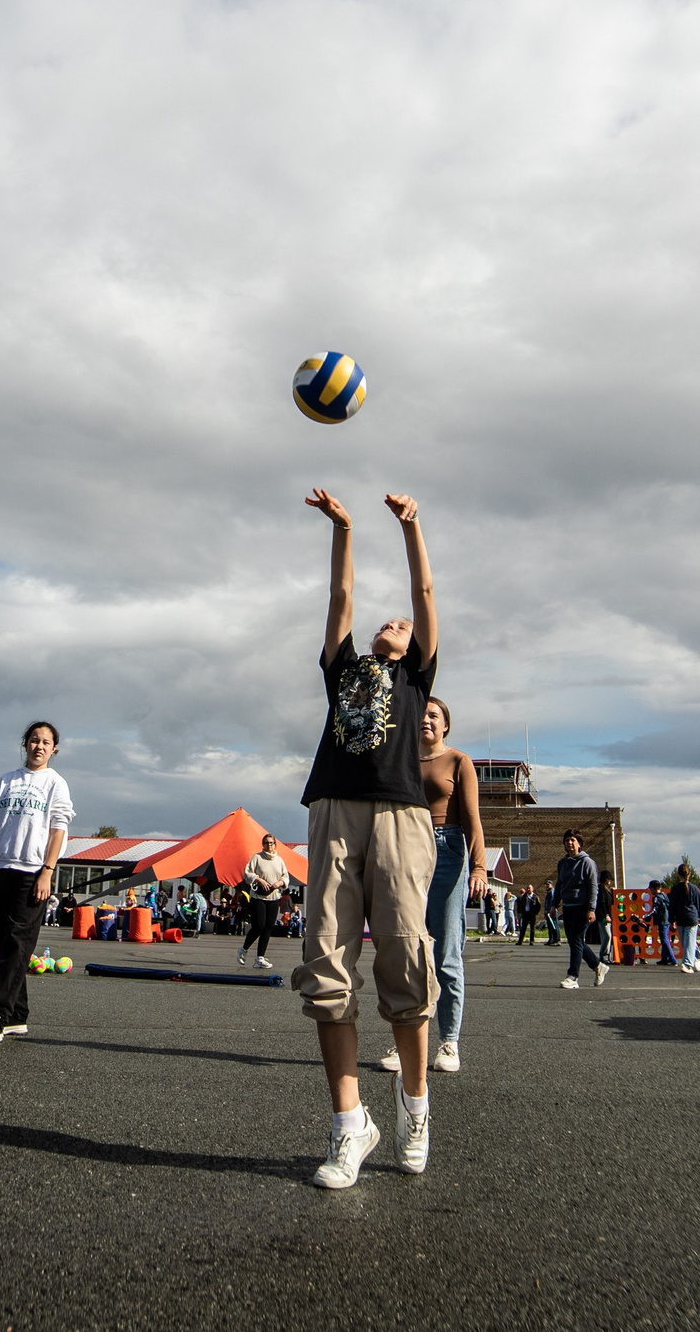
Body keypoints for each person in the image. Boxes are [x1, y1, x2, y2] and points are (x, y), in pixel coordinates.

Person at [295, 487, 442, 1191]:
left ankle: (414, 1108)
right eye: (390, 621)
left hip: (399, 818)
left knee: (406, 967)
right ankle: (350, 1125)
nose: (396, 622)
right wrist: (345, 528)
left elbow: (423, 586)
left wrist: (411, 527)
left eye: (405, 625)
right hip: (332, 810)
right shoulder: (344, 669)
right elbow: (341, 594)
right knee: (326, 966)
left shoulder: (415, 677)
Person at [382, 696, 483, 1076]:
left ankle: (449, 1042)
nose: (426, 719)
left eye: (433, 715)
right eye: (421, 713)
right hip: (407, 847)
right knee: (407, 948)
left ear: (445, 725)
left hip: (448, 850)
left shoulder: (459, 761)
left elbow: (472, 818)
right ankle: (406, 1040)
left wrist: (478, 868)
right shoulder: (403, 758)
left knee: (445, 953)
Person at [0, 721, 73, 1044]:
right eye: (34, 740)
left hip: (33, 873)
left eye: (46, 742)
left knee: (18, 945)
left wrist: (48, 870)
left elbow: (59, 830)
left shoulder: (55, 784)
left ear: (54, 749)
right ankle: (18, 1015)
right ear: (25, 744)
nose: (39, 746)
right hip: (3, 868)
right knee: (5, 945)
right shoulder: (6, 781)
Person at [553, 832, 607, 990]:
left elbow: (593, 887)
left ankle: (573, 976)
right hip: (568, 906)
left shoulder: (587, 862)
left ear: (579, 843)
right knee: (574, 941)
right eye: (567, 840)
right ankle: (597, 965)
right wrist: (554, 904)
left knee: (576, 939)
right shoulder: (562, 863)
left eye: (573, 840)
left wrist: (591, 909)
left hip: (582, 907)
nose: (569, 843)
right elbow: (560, 884)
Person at [237, 834, 293, 967]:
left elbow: (286, 877)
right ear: (263, 844)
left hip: (274, 896)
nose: (269, 845)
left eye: (272, 843)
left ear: (275, 844)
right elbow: (247, 873)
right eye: (267, 843)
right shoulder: (257, 858)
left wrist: (279, 883)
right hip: (258, 897)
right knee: (259, 926)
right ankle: (243, 949)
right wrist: (258, 879)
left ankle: (260, 958)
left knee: (268, 927)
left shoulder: (279, 860)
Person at [669, 865, 700, 973]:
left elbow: (672, 906)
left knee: (687, 943)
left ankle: (687, 964)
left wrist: (671, 920)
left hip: (681, 918)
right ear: (689, 874)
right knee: (688, 943)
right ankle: (697, 960)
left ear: (678, 875)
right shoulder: (694, 888)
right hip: (691, 918)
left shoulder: (675, 889)